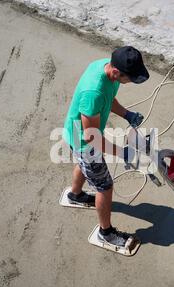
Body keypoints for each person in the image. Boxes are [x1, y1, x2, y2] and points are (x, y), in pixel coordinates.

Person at [62, 46, 149, 248]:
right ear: (117, 72)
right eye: (130, 78)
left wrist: (127, 114)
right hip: (84, 142)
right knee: (105, 187)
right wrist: (123, 153)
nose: (130, 82)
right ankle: (106, 233)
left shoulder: (104, 66)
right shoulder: (94, 92)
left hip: (78, 135)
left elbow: (109, 99)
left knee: (84, 166)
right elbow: (91, 138)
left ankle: (75, 195)